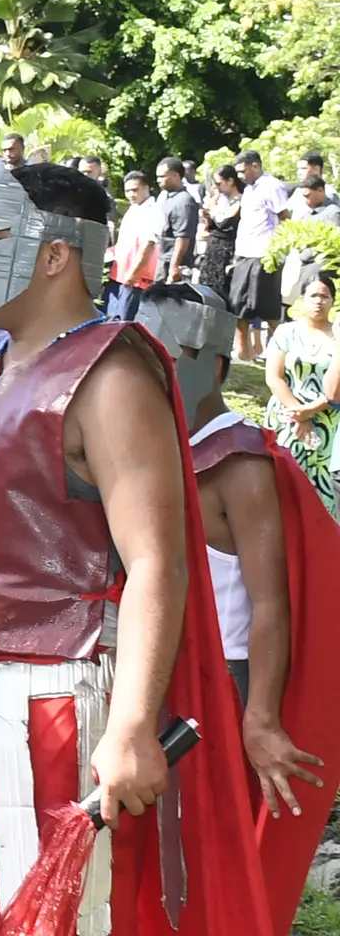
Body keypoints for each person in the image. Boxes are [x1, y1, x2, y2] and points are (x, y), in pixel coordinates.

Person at [0, 161, 264, 936]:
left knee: (47, 917)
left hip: (50, 693)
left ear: (54, 252)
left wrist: (128, 728)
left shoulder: (112, 376)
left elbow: (159, 560)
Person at [168, 285, 340, 936]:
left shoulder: (236, 459)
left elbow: (272, 602)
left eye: (177, 351)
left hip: (224, 682)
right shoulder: (155, 438)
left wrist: (261, 717)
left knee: (211, 861)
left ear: (213, 361)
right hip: (161, 668)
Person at [263, 271, 339, 514]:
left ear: (333, 301)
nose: (319, 301)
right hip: (286, 417)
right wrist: (298, 413)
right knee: (280, 478)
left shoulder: (337, 337)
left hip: (324, 420)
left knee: (316, 487)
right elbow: (274, 377)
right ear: (302, 299)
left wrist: (311, 412)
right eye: (313, 295)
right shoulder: (286, 332)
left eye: (325, 296)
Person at [231, 150, 291, 361]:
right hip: (245, 252)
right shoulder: (249, 190)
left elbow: (284, 218)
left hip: (264, 254)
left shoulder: (272, 186)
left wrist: (280, 249)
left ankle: (280, 353)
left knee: (267, 306)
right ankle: (243, 350)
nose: (240, 176)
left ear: (255, 166)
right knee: (238, 303)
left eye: (242, 171)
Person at [107, 169, 160, 319]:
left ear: (146, 187)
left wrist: (133, 274)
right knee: (110, 319)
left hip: (135, 278)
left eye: (135, 190)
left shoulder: (152, 211)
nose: (131, 194)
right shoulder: (134, 209)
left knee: (123, 322)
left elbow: (148, 246)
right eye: (127, 191)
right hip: (119, 274)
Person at [199, 164, 241, 303]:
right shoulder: (220, 199)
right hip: (213, 247)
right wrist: (207, 216)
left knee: (223, 287)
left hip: (227, 247)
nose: (216, 187)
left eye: (219, 183)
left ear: (230, 181)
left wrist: (213, 208)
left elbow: (224, 222)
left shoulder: (240, 200)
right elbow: (213, 224)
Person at [154, 157, 200, 283]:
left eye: (162, 176)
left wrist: (174, 268)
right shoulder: (169, 198)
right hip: (164, 260)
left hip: (174, 264)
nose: (158, 180)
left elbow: (182, 238)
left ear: (175, 175)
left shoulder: (183, 202)